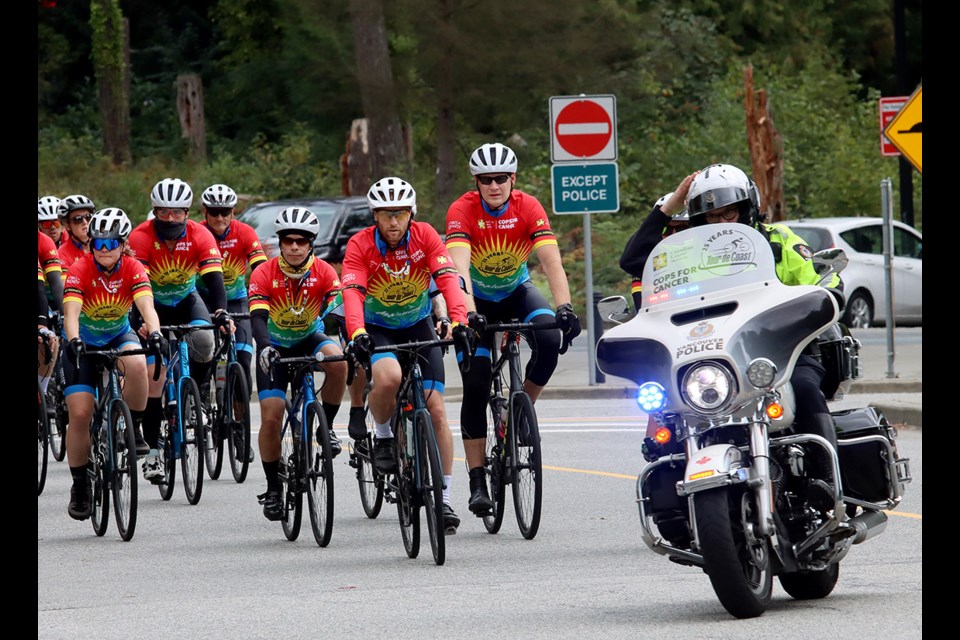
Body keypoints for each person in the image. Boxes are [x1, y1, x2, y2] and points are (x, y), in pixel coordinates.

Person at [630, 163, 844, 502]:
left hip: (781, 352)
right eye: (710, 216)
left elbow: (821, 279)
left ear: (747, 208)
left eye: (728, 212)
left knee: (804, 388)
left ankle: (827, 481)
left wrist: (830, 291)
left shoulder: (777, 240)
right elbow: (633, 260)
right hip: (713, 357)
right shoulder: (688, 255)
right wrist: (668, 207)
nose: (720, 222)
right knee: (667, 413)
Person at [444, 142, 581, 516]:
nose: (493, 186)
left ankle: (523, 410)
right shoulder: (462, 210)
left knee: (550, 338)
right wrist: (468, 313)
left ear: (512, 179)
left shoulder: (528, 207)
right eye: (485, 180)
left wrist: (565, 306)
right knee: (476, 382)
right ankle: (476, 481)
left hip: (517, 291)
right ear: (476, 182)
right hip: (477, 302)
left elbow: (551, 261)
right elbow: (459, 271)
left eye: (500, 179)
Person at [341, 176, 474, 535]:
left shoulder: (427, 236)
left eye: (399, 214)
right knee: (387, 378)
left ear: (411, 213)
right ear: (375, 216)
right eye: (386, 215)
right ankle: (383, 434)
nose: (394, 222)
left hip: (417, 325)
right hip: (378, 327)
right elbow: (352, 292)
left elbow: (447, 278)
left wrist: (459, 321)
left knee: (437, 410)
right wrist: (357, 333)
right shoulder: (359, 245)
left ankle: (443, 498)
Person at [59, 208, 164, 519]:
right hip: (84, 342)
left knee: (137, 364)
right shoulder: (79, 269)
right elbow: (71, 312)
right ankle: (80, 486)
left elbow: (147, 306)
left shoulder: (132, 268)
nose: (104, 250)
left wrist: (155, 332)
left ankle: (132, 427)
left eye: (111, 244)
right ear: (91, 245)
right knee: (79, 413)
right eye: (98, 244)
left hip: (118, 336)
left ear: (123, 244)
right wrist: (74, 338)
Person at [128, 178, 233, 481]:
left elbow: (215, 281)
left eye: (177, 213)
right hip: (150, 303)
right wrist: (144, 324)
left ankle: (195, 395)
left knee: (204, 340)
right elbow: (138, 288)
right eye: (164, 213)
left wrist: (222, 311)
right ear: (155, 211)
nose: (171, 219)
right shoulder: (141, 237)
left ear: (187, 213)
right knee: (154, 379)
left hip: (187, 299)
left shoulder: (200, 235)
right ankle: (152, 454)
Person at [248, 207, 348, 522]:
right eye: (288, 240)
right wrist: (264, 347)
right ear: (280, 242)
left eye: (300, 241)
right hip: (274, 346)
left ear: (310, 244)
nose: (294, 246)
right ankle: (274, 487)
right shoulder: (264, 272)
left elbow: (341, 311)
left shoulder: (324, 271)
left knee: (337, 359)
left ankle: (327, 427)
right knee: (272, 416)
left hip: (308, 337)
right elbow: (258, 317)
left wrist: (352, 339)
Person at [197, 183, 267, 424]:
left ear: (233, 212)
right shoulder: (196, 232)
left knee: (244, 360)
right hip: (204, 300)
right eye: (214, 212)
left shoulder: (245, 232)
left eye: (225, 212)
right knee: (204, 353)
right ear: (204, 211)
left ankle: (239, 423)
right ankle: (202, 394)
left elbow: (260, 268)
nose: (219, 218)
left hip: (237, 300)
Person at [619, 185, 694, 312]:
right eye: (667, 229)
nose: (674, 234)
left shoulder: (705, 247)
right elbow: (641, 308)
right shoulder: (649, 259)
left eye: (682, 229)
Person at [57, 194, 95, 267]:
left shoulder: (104, 245)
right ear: (67, 225)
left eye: (88, 217)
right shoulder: (62, 254)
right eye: (78, 219)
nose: (85, 222)